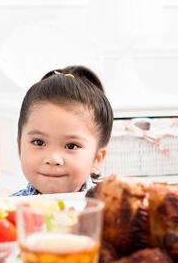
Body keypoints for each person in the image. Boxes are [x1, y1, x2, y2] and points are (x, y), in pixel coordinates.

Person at [12, 66, 113, 196]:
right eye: (38, 142)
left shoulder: (106, 212)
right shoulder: (7, 210)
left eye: (71, 146)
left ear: (96, 159)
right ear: (20, 146)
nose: (53, 159)